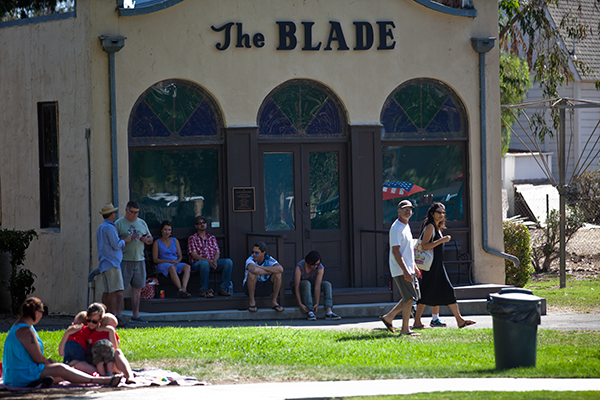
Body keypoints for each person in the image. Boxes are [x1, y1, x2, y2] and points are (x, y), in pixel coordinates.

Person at [2, 297, 122, 388]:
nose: (42, 315)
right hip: (21, 374)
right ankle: (101, 380)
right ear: (36, 313)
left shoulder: (18, 325)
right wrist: (49, 363)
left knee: (66, 374)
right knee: (61, 368)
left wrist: (47, 362)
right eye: (42, 312)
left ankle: (39, 382)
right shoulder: (26, 330)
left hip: (17, 373)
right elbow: (38, 358)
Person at [412, 202, 476, 329]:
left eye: (443, 212)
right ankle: (417, 322)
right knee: (428, 292)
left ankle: (458, 320)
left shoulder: (437, 227)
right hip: (431, 266)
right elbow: (424, 245)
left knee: (440, 291)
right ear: (432, 213)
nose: (442, 215)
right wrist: (442, 240)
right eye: (439, 212)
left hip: (437, 266)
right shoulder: (430, 226)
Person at [379, 200, 421, 336]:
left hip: (408, 267)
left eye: (410, 209)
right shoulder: (396, 228)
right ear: (398, 211)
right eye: (404, 209)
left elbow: (407, 250)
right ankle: (405, 329)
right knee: (409, 298)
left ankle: (389, 317)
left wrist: (413, 266)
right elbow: (396, 251)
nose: (407, 211)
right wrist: (405, 270)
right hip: (401, 269)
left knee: (411, 296)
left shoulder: (406, 226)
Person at [115, 200, 154, 323]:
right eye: (132, 212)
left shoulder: (142, 222)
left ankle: (136, 315)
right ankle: (118, 315)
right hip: (124, 260)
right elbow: (113, 241)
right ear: (126, 210)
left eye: (137, 212)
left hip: (139, 259)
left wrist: (146, 240)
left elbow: (151, 239)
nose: (135, 215)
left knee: (137, 288)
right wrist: (126, 239)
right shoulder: (119, 223)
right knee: (121, 289)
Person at [97, 203, 132, 325]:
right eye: (114, 213)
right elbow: (116, 244)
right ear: (112, 214)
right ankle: (112, 317)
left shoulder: (101, 227)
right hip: (112, 263)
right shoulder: (110, 228)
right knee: (114, 291)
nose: (115, 215)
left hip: (104, 263)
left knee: (107, 291)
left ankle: (104, 316)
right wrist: (125, 240)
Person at [187, 215, 233, 298]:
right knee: (204, 264)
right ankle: (204, 290)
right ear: (196, 226)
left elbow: (217, 252)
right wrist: (209, 261)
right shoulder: (192, 238)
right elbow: (194, 255)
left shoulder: (212, 237)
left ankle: (222, 288)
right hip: (198, 264)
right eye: (200, 223)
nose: (202, 224)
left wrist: (214, 260)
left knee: (228, 262)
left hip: (212, 262)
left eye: (204, 222)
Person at [290, 250, 341, 321]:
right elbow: (296, 287)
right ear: (308, 263)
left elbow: (317, 286)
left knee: (327, 284)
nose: (315, 266)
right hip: (300, 287)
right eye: (313, 264)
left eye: (317, 264)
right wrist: (300, 303)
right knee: (306, 283)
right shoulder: (300, 267)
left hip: (311, 287)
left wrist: (317, 303)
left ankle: (329, 311)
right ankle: (310, 311)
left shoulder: (320, 267)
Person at [152, 220, 191, 298]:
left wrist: (178, 261)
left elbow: (180, 255)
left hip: (175, 262)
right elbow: (155, 259)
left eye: (169, 230)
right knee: (172, 267)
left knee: (187, 267)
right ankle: (180, 289)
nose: (167, 232)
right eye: (165, 229)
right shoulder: (157, 242)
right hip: (163, 263)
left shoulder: (175, 240)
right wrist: (168, 261)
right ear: (161, 230)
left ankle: (184, 288)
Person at [243, 241, 284, 312]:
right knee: (251, 274)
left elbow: (280, 269)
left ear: (263, 253)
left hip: (265, 287)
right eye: (253, 252)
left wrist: (262, 268)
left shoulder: (269, 259)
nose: (254, 254)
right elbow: (254, 270)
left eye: (257, 253)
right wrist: (270, 271)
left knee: (278, 274)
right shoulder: (250, 259)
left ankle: (274, 302)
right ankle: (252, 302)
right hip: (251, 287)